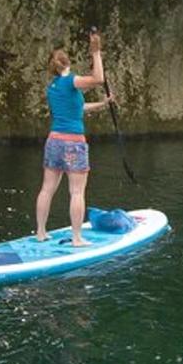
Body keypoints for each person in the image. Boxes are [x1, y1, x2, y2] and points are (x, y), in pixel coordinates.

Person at [35, 30, 114, 244]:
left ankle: (41, 233)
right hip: (73, 143)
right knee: (77, 192)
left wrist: (103, 104)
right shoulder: (71, 81)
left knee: (46, 188)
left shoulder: (52, 88)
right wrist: (96, 52)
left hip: (54, 141)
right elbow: (98, 79)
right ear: (67, 63)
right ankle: (77, 238)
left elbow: (77, 108)